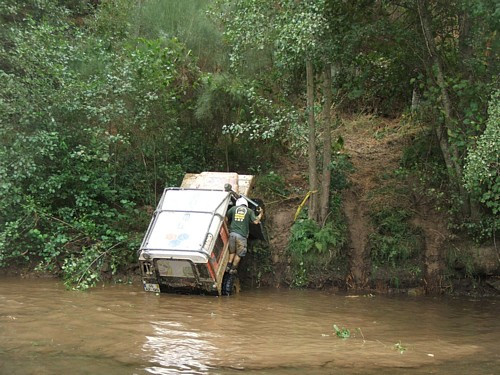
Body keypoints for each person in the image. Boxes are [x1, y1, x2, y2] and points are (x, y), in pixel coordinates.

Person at [225, 197, 263, 274]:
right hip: (241, 236)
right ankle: (233, 269)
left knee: (232, 252)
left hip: (232, 234)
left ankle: (228, 265)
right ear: (246, 204)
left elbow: (226, 218)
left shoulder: (233, 209)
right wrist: (261, 213)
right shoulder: (249, 211)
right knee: (239, 253)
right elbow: (256, 221)